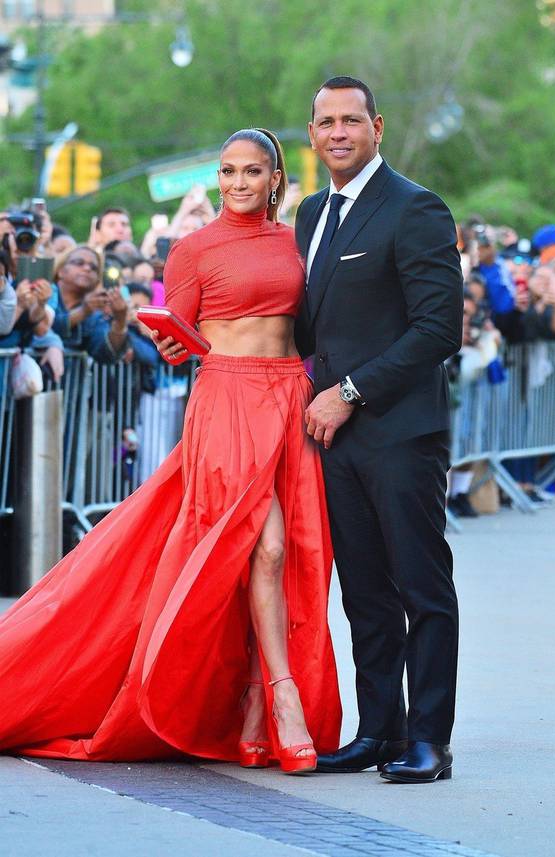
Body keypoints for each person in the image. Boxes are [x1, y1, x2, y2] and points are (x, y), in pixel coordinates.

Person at [0, 128, 340, 773]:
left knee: (292, 553)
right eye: (228, 171)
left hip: (289, 397)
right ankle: (281, 698)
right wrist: (172, 343)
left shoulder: (300, 242)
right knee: (260, 544)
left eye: (252, 172)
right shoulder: (192, 249)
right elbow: (175, 331)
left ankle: (249, 707)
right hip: (228, 401)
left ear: (275, 180)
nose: (238, 183)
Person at [295, 77, 463, 783]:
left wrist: (351, 393)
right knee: (363, 592)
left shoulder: (415, 207)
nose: (339, 131)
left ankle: (429, 740)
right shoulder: (309, 214)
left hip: (398, 429)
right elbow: (309, 324)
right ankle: (380, 731)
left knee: (420, 588)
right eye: (326, 121)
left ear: (377, 127)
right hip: (333, 440)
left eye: (352, 120)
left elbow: (438, 328)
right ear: (312, 133)